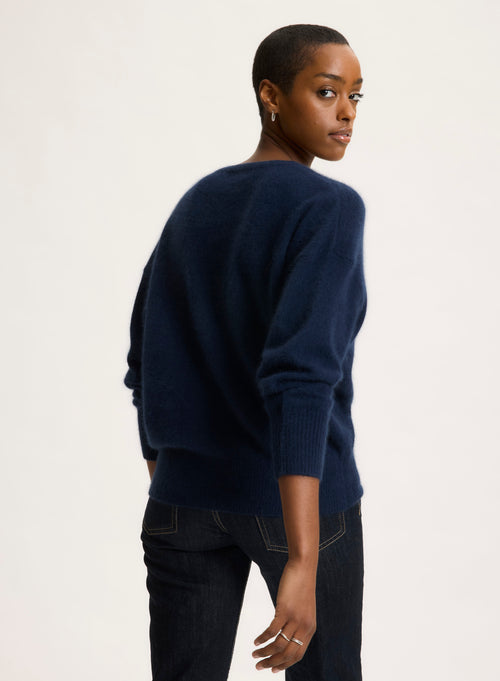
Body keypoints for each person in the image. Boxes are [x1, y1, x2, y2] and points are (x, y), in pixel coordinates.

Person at [124, 23, 367, 681]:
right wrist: (304, 558)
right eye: (326, 91)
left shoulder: (198, 200)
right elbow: (301, 376)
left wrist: (174, 478)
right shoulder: (329, 208)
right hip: (297, 506)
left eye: (355, 96)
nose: (346, 112)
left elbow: (144, 355)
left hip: (181, 502)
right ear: (271, 95)